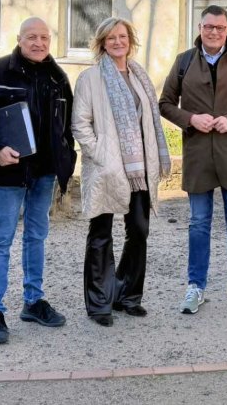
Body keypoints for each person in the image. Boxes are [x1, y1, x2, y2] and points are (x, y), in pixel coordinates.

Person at [0, 17, 76, 345]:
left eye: (44, 37)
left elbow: (66, 125)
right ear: (19, 39)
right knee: (2, 238)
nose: (38, 43)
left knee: (37, 235)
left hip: (44, 172)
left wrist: (67, 158)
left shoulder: (57, 76)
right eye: (31, 37)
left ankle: (33, 302)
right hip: (8, 172)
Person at [159, 5, 227, 316]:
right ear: (200, 27)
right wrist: (191, 119)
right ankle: (195, 287)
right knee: (198, 223)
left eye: (220, 28)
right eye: (209, 26)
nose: (214, 32)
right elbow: (165, 103)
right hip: (198, 155)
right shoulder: (184, 62)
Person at [71, 17, 171, 327]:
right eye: (111, 37)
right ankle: (100, 302)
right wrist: (101, 154)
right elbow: (80, 123)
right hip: (108, 168)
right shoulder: (90, 78)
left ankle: (128, 295)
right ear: (101, 43)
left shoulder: (140, 76)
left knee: (139, 230)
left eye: (122, 36)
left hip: (140, 167)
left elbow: (149, 122)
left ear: (130, 40)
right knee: (101, 234)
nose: (118, 42)